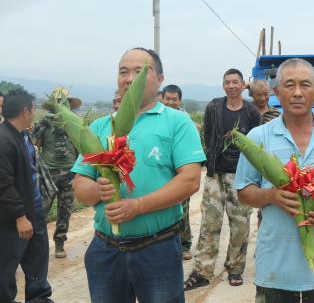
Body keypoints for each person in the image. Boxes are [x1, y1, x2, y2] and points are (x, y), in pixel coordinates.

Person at [71, 47, 204, 303]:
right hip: (106, 249)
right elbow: (80, 183)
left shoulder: (177, 122)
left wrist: (138, 206)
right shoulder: (100, 127)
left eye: (140, 71)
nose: (129, 78)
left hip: (157, 248)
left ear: (160, 79)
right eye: (123, 72)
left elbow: (190, 180)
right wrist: (100, 190)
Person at [234, 58, 314, 302]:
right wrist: (270, 195)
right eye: (289, 85)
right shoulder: (258, 137)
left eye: (305, 85)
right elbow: (244, 191)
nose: (297, 93)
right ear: (277, 92)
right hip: (275, 267)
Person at [185, 69, 261, 290]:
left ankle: (235, 268)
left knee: (239, 225)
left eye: (235, 82)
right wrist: (211, 162)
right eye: (227, 82)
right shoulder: (214, 107)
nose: (231, 86)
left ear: (243, 85)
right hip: (215, 175)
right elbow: (209, 136)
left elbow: (255, 146)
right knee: (210, 223)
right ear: (223, 85)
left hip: (242, 175)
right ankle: (202, 271)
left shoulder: (251, 112)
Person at [0, 89, 53, 303]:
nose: (34, 113)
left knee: (37, 263)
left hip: (34, 212)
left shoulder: (23, 136)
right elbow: (4, 184)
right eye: (32, 109)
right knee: (6, 267)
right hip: (15, 219)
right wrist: (20, 216)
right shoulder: (3, 141)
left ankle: (39, 298)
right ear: (25, 111)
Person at [33, 87, 82, 258]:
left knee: (65, 210)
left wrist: (78, 171)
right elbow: (36, 146)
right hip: (49, 174)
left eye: (64, 103)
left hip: (69, 172)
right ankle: (34, 245)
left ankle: (59, 243)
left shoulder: (74, 122)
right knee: (41, 210)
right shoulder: (44, 124)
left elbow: (79, 146)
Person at [159, 83, 196, 260]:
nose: (171, 102)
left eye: (174, 99)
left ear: (179, 100)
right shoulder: (156, 118)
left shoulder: (185, 120)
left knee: (183, 209)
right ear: (161, 98)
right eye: (168, 99)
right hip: (161, 172)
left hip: (181, 171)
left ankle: (184, 244)